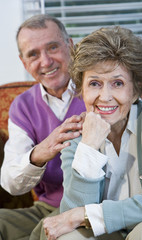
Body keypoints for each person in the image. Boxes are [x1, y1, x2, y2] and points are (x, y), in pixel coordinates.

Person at [42, 26, 142, 240]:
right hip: (102, 235)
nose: (105, 97)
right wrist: (89, 146)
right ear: (81, 90)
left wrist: (84, 214)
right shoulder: (75, 135)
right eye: (95, 83)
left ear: (135, 91)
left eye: (118, 83)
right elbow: (70, 215)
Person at [0, 14, 85, 239]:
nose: (46, 62)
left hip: (91, 208)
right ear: (24, 62)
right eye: (33, 54)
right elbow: (10, 182)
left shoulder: (99, 88)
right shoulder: (22, 106)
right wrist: (40, 152)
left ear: (70, 46)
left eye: (53, 47)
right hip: (46, 209)